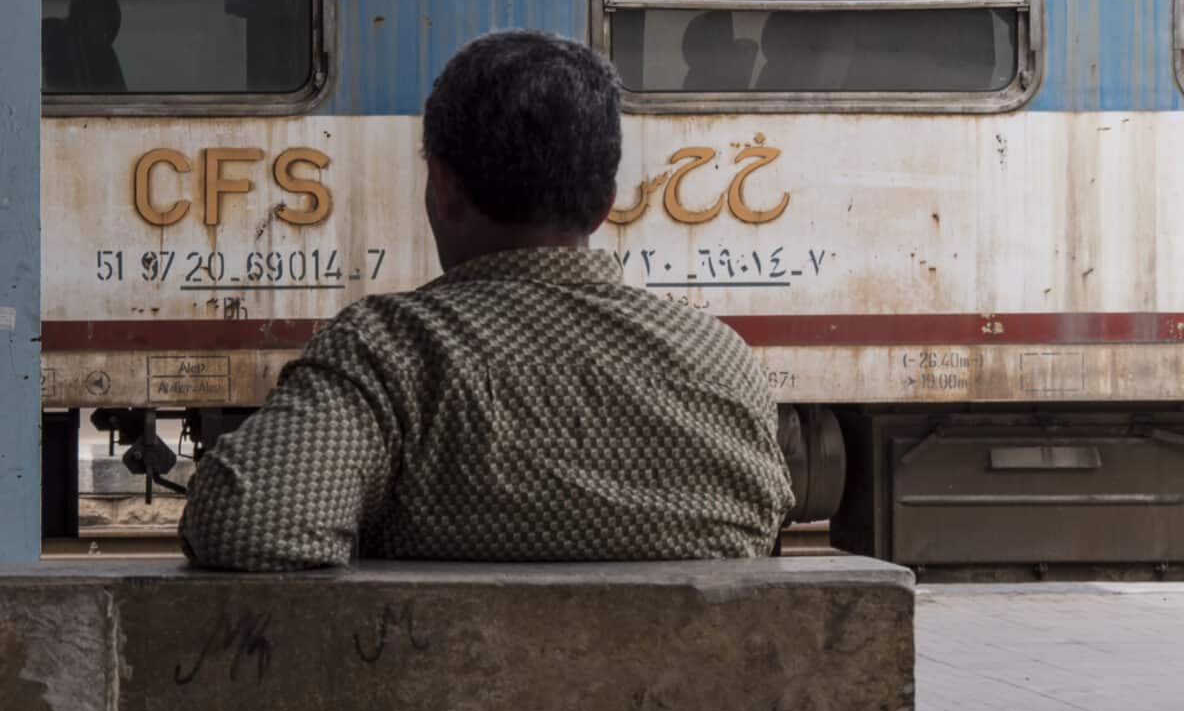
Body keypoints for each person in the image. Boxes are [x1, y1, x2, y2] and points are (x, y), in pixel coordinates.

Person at [178, 30, 792, 571]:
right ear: (607, 202)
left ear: (444, 188)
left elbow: (246, 525)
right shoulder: (723, 361)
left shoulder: (388, 352)